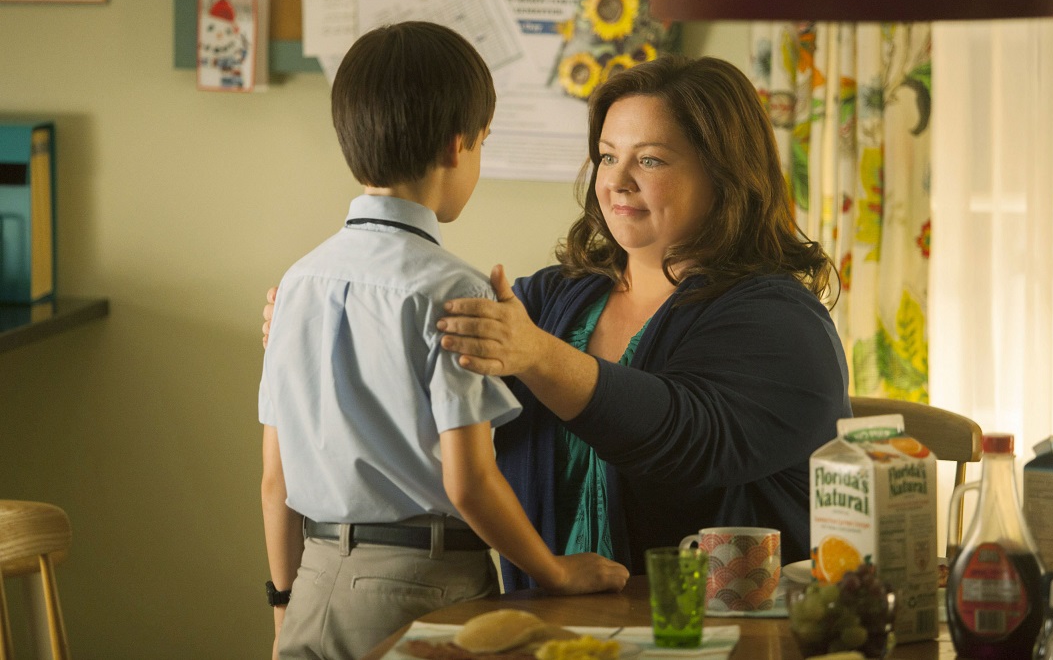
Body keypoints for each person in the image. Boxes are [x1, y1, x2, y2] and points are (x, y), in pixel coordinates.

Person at [263, 54, 850, 592]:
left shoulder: (782, 321)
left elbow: (687, 436)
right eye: (607, 156)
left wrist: (538, 355)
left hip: (715, 634)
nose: (616, 180)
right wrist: (328, 323)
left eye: (649, 159)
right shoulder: (551, 297)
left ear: (725, 173)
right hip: (550, 628)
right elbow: (433, 384)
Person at [258, 21, 628, 660]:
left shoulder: (296, 283)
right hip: (420, 586)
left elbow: (274, 479)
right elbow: (469, 482)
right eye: (484, 143)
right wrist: (555, 572)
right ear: (459, 146)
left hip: (313, 584)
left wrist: (284, 605)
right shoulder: (456, 291)